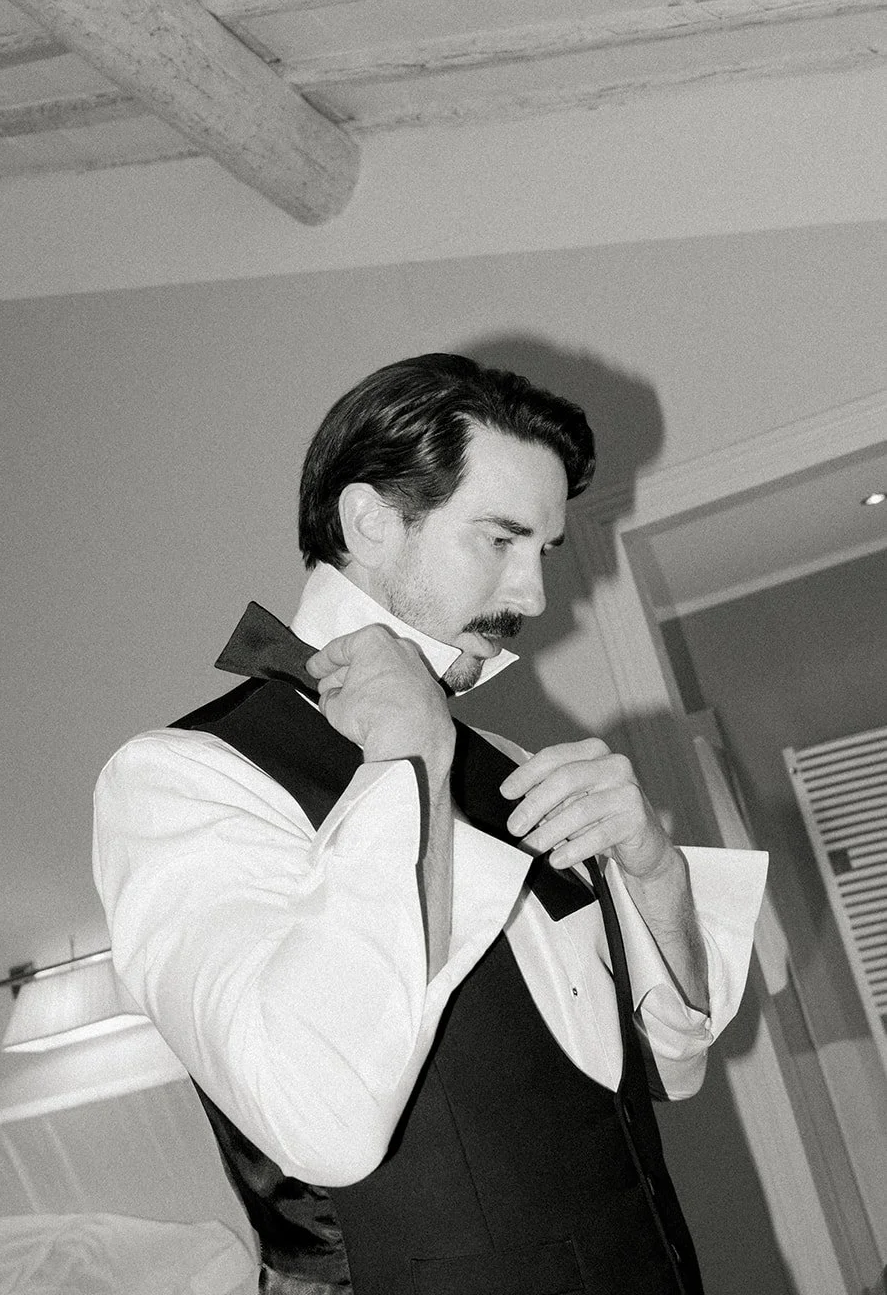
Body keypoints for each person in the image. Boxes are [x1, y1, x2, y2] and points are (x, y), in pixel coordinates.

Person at [93, 353, 767, 1295]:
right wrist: (404, 766)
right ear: (369, 521)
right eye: (499, 540)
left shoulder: (513, 762)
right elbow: (319, 1119)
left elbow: (668, 1065)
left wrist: (653, 876)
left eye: (543, 551)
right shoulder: (181, 780)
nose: (533, 595)